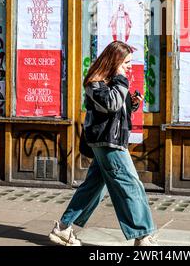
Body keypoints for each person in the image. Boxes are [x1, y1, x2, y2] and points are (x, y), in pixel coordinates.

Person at [49, 40, 157, 247]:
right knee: (131, 186)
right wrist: (121, 79)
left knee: (93, 188)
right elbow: (111, 104)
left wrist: (131, 105)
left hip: (110, 141)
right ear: (115, 61)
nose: (129, 66)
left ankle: (63, 228)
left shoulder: (109, 81)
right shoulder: (95, 82)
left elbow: (115, 109)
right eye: (126, 62)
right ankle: (143, 236)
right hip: (109, 144)